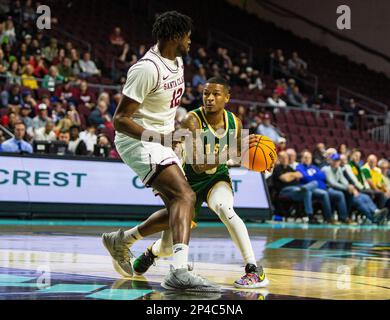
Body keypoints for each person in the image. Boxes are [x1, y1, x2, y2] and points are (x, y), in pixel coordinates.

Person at [101, 11, 219, 292]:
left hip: (163, 140)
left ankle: (123, 240)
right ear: (176, 37)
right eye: (188, 36)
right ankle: (178, 271)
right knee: (185, 195)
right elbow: (119, 120)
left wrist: (178, 131)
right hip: (138, 141)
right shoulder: (146, 68)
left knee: (184, 207)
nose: (191, 42)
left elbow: (161, 108)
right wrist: (161, 136)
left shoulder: (177, 62)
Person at [132, 77, 267, 288]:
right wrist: (232, 153)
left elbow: (242, 154)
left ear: (227, 98)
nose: (210, 98)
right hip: (188, 181)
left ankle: (253, 269)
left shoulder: (235, 123)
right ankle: (153, 252)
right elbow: (197, 165)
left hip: (217, 177)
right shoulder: (191, 120)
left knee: (225, 208)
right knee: (168, 247)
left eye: (216, 94)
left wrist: (258, 160)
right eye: (206, 94)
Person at [322, 153, 387, 225]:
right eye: (334, 160)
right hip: (329, 189)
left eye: (338, 160)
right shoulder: (326, 169)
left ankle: (375, 211)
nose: (336, 162)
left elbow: (344, 180)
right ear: (330, 161)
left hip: (341, 189)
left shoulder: (339, 169)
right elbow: (332, 183)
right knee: (356, 199)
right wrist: (347, 187)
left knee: (364, 197)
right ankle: (371, 217)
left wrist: (351, 187)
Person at [296, 151, 351, 224]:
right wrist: (315, 177)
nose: (307, 159)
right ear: (302, 159)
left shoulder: (314, 167)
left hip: (323, 187)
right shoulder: (299, 167)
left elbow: (323, 176)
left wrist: (313, 177)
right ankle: (329, 218)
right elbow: (306, 178)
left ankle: (344, 217)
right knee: (324, 194)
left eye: (309, 158)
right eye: (305, 157)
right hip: (311, 189)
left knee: (339, 194)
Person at [273, 151, 319, 224]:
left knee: (314, 184)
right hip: (284, 191)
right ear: (279, 159)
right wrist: (293, 175)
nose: (285, 159)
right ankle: (303, 189)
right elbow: (285, 179)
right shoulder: (277, 169)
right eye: (282, 157)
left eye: (286, 157)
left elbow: (300, 175)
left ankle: (310, 216)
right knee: (306, 190)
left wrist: (290, 175)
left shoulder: (290, 168)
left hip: (295, 190)